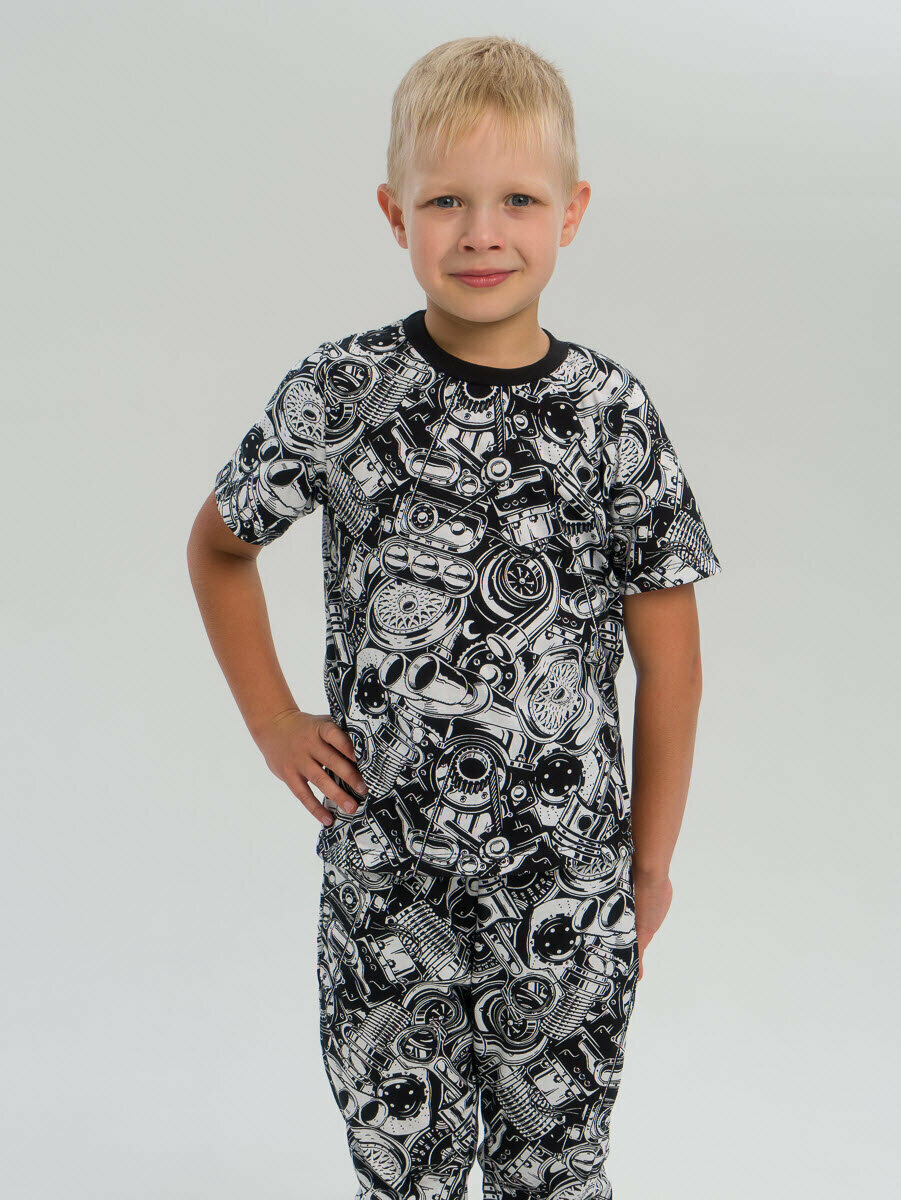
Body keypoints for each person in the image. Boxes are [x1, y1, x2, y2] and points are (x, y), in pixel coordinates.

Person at [187, 34, 722, 1200]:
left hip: (567, 901)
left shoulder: (610, 416)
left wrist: (649, 866)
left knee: (556, 1175)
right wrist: (274, 719)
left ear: (571, 211)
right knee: (403, 1175)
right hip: (385, 897)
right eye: (446, 201)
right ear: (395, 214)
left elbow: (671, 667)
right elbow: (219, 546)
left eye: (517, 199)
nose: (482, 232)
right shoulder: (342, 394)